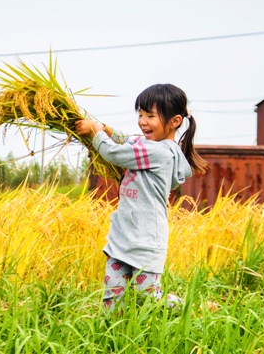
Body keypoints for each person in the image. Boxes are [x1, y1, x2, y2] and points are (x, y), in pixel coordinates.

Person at [75, 83, 212, 311]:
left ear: (175, 121)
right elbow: (125, 140)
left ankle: (192, 308)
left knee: (148, 297)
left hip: (146, 239)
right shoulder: (147, 144)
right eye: (140, 114)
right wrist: (105, 129)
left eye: (150, 115)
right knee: (112, 295)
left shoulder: (159, 152)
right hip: (123, 236)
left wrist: (95, 131)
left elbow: (113, 152)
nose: (142, 121)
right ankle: (114, 335)